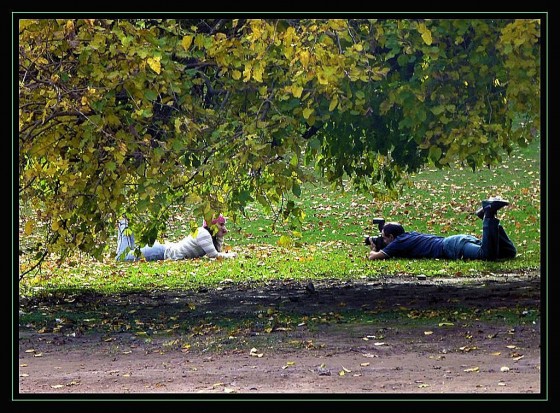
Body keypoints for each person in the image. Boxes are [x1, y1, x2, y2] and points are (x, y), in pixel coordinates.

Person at [367, 198, 517, 261]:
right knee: (509, 253)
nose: (383, 240)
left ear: (392, 237)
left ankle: (489, 214)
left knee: (487, 256)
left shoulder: (398, 242)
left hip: (452, 247)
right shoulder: (408, 236)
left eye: (384, 237)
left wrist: (373, 247)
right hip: (456, 241)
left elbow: (373, 257)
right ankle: (488, 218)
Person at [116, 214, 237, 261]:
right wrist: (229, 256)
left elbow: (217, 251)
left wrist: (220, 236)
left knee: (129, 253)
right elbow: (214, 255)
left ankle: (126, 224)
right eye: (221, 224)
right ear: (212, 224)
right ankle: (123, 224)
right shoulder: (203, 234)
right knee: (122, 258)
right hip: (161, 252)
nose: (224, 227)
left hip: (165, 249)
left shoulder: (208, 235)